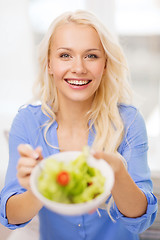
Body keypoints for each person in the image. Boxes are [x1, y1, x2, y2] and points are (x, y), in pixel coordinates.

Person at [0, 10, 157, 240]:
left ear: (104, 65)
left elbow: (139, 220)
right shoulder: (28, 121)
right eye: (65, 55)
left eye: (91, 56)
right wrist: (36, 187)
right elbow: (11, 217)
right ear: (49, 64)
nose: (79, 68)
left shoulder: (128, 121)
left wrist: (118, 173)